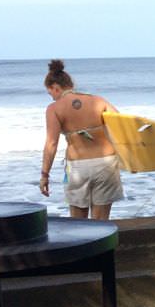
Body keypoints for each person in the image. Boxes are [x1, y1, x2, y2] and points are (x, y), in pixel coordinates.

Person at [40, 59, 124, 220]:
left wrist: (45, 174)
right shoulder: (98, 101)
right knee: (101, 223)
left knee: (79, 225)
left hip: (78, 167)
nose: (51, 98)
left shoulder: (54, 109)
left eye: (50, 93)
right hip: (106, 163)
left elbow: (51, 144)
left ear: (55, 87)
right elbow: (122, 126)